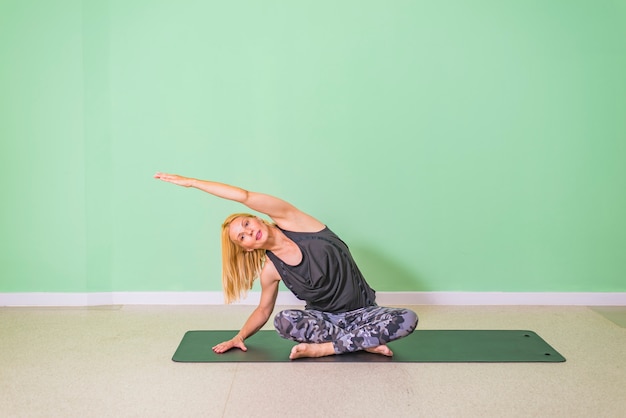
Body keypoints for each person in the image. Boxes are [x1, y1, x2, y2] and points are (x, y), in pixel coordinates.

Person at [154, 172, 418, 360]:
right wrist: (239, 336)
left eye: (247, 224)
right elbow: (263, 310)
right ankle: (362, 342)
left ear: (257, 218)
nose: (249, 233)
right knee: (284, 321)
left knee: (407, 318)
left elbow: (243, 195)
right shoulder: (271, 270)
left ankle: (327, 348)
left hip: (363, 312)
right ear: (247, 248)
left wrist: (193, 183)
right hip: (325, 320)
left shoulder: (296, 221)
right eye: (242, 237)